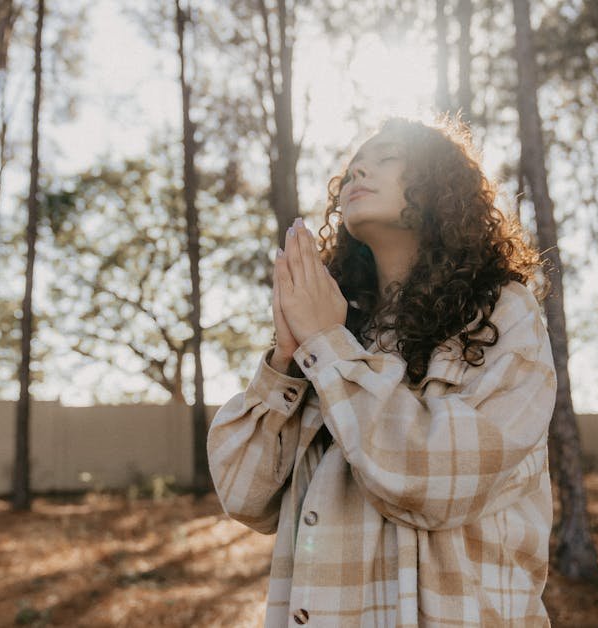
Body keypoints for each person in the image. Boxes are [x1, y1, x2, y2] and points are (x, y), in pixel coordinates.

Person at [207, 113, 557, 627]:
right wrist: (287, 360)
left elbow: (440, 480)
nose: (357, 173)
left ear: (440, 186)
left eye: (386, 156)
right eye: (351, 169)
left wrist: (328, 349)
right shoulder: (335, 331)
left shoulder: (504, 313)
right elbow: (243, 495)